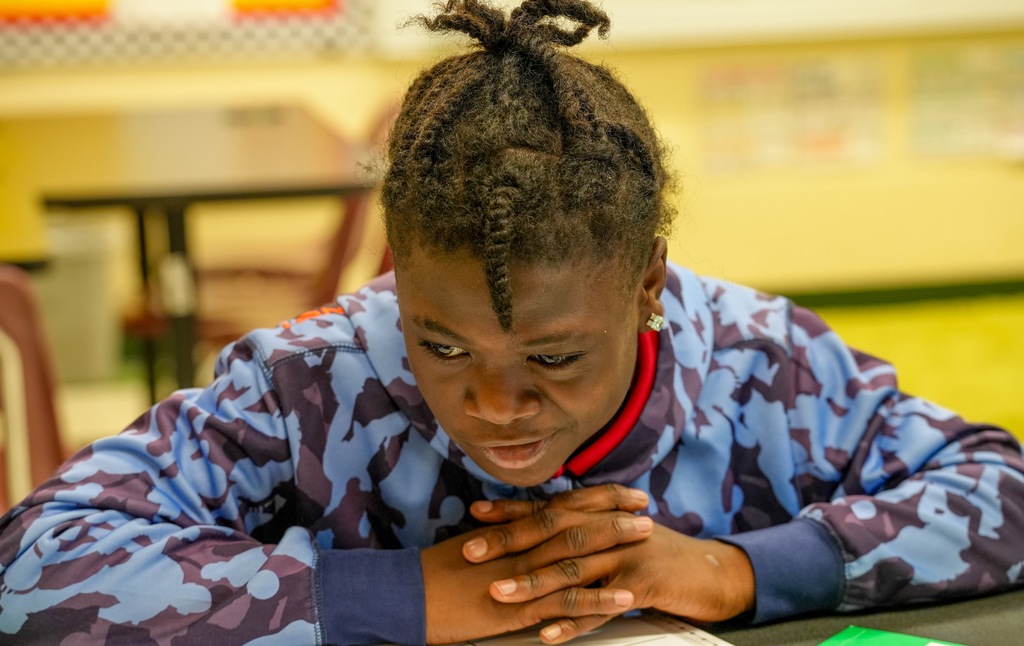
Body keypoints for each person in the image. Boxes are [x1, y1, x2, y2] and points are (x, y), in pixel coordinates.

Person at [3, 1, 1024, 644]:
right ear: (398, 280)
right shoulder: (306, 383)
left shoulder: (764, 364)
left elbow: (1003, 488)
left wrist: (738, 569)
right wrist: (402, 598)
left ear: (645, 287)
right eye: (440, 345)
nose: (495, 404)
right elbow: (34, 564)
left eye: (553, 355)